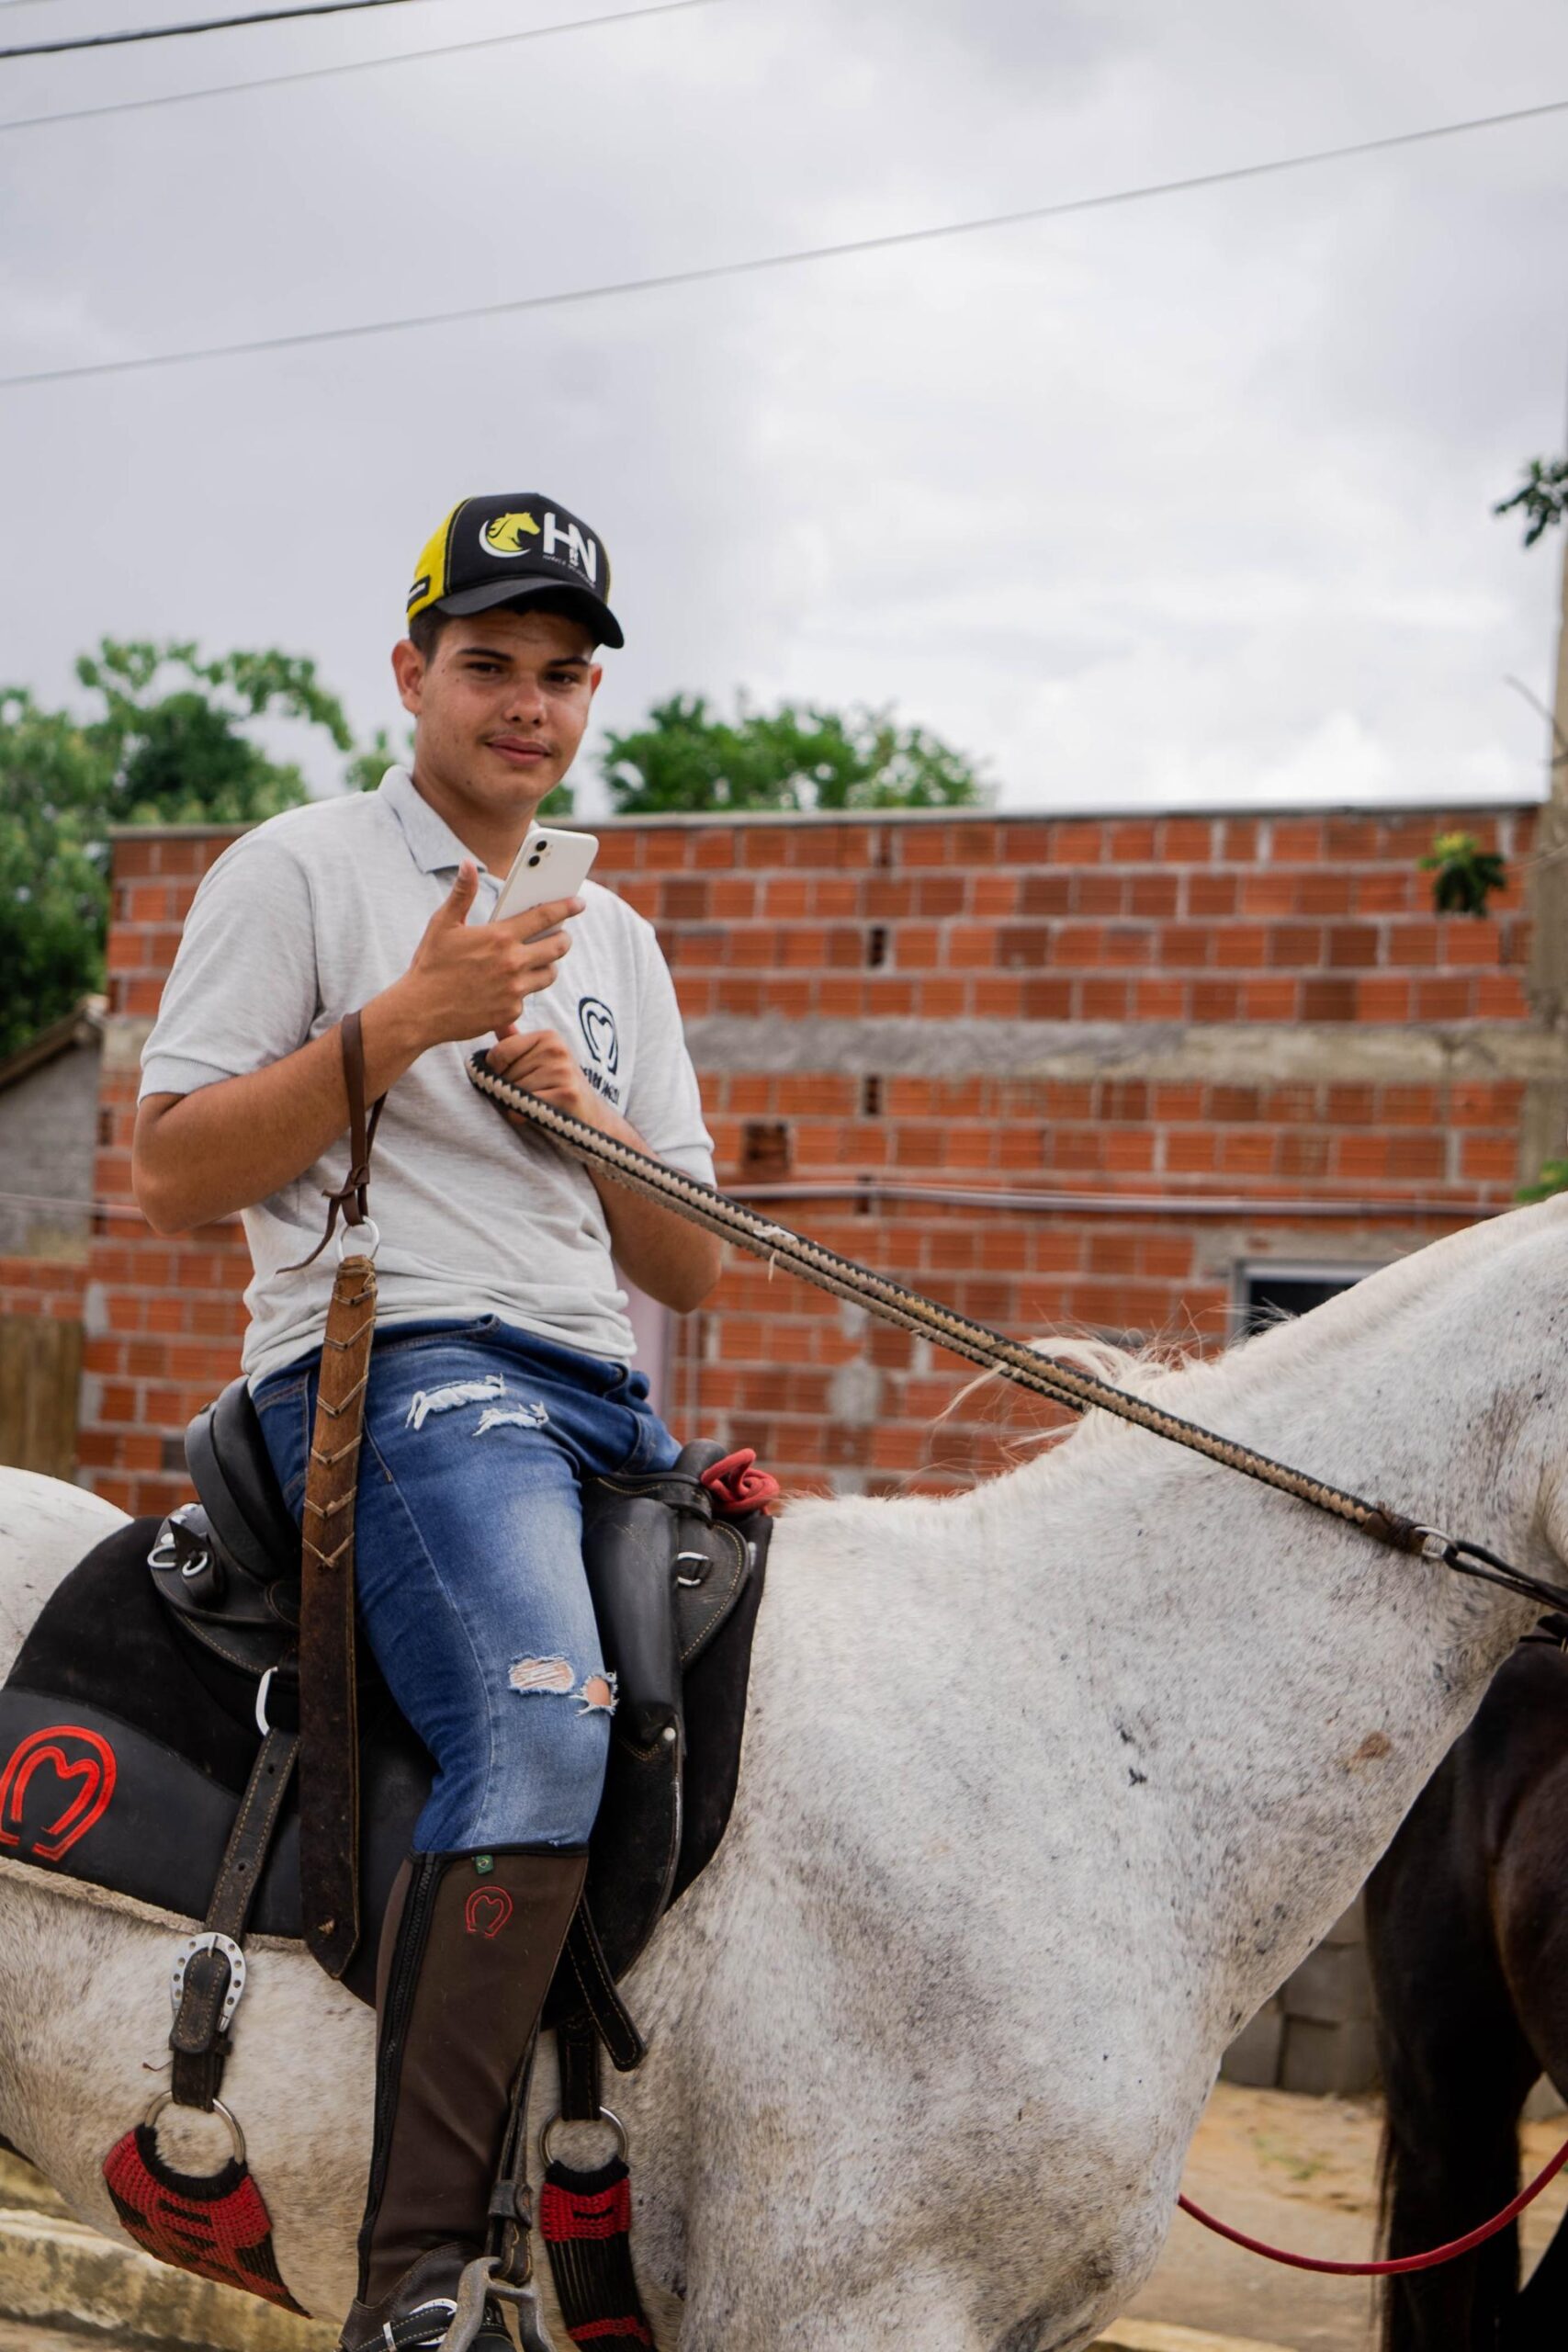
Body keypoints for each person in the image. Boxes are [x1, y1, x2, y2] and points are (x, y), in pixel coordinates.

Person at [131, 492, 721, 2352]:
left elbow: (690, 1260)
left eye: (562, 673)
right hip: (400, 1372)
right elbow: (169, 1168)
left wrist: (588, 1124)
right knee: (541, 1721)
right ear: (411, 673)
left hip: (604, 1398)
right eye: (488, 664)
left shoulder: (612, 935)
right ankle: (417, 2287)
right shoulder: (298, 870)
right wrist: (406, 1020)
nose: (527, 703)